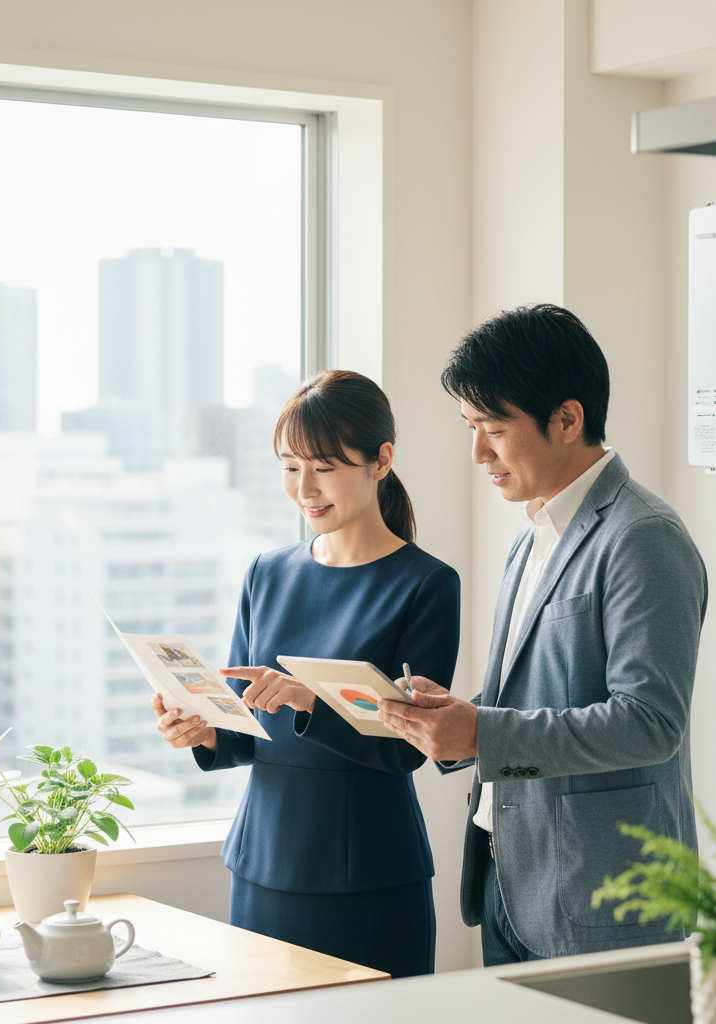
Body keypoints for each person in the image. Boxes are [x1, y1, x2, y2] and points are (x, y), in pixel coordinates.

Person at [378, 305, 708, 965]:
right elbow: (540, 696)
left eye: (494, 430)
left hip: (603, 900)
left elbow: (649, 723)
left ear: (567, 418)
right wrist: (458, 720)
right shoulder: (536, 533)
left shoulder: (642, 537)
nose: (478, 453)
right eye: (471, 428)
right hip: (512, 885)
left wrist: (484, 732)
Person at [151, 369, 460, 978]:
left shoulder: (426, 584)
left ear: (381, 461)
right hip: (264, 865)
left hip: (368, 875)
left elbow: (409, 751)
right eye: (291, 467)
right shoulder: (266, 572)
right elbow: (245, 730)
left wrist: (310, 703)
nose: (305, 488)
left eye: (324, 466)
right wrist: (203, 729)